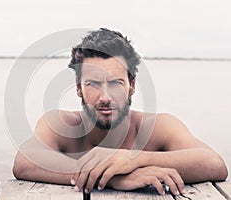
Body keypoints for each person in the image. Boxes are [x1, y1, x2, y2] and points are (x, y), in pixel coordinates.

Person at [12, 28, 228, 196]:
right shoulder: (60, 123)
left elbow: (214, 164)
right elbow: (25, 162)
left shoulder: (158, 127)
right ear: (79, 88)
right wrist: (114, 177)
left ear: (131, 85)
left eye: (115, 83)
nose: (105, 96)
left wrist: (132, 159)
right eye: (93, 83)